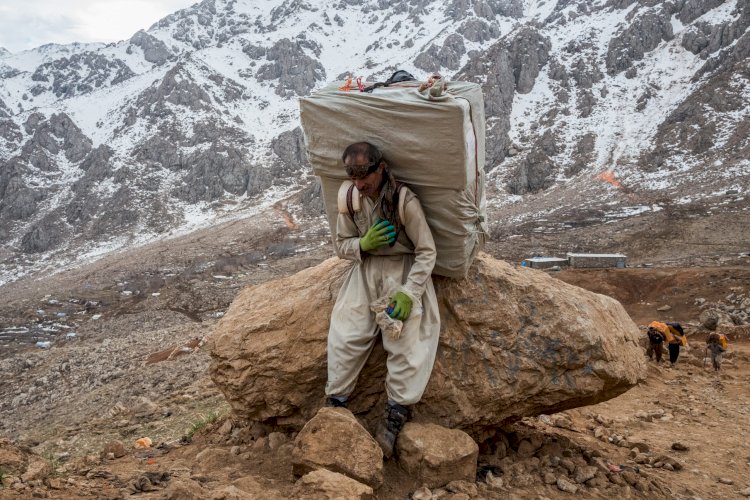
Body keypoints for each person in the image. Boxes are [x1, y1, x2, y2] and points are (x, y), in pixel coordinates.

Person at [325, 141, 440, 458]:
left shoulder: (404, 201)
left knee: (405, 340)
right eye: (353, 176)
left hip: (401, 273)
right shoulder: (349, 198)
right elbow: (341, 246)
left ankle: (394, 418)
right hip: (364, 271)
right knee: (344, 334)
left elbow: (427, 251)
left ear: (381, 169)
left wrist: (409, 292)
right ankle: (335, 404)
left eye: (365, 176)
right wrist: (363, 243)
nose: (360, 184)